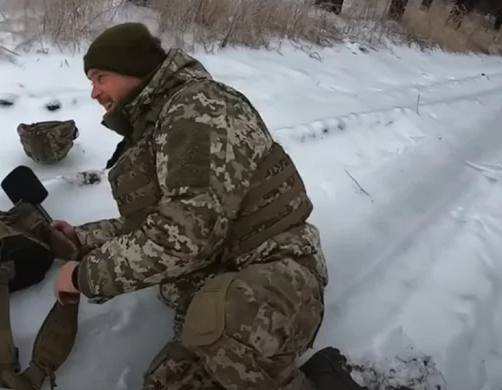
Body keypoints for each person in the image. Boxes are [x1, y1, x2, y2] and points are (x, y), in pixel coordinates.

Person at [50, 22, 367, 390]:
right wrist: (82, 238)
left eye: (100, 77)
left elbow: (187, 235)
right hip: (219, 292)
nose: (95, 92)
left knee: (217, 320)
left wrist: (84, 276)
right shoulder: (160, 125)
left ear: (132, 68)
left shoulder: (199, 109)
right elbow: (157, 224)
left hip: (275, 280)